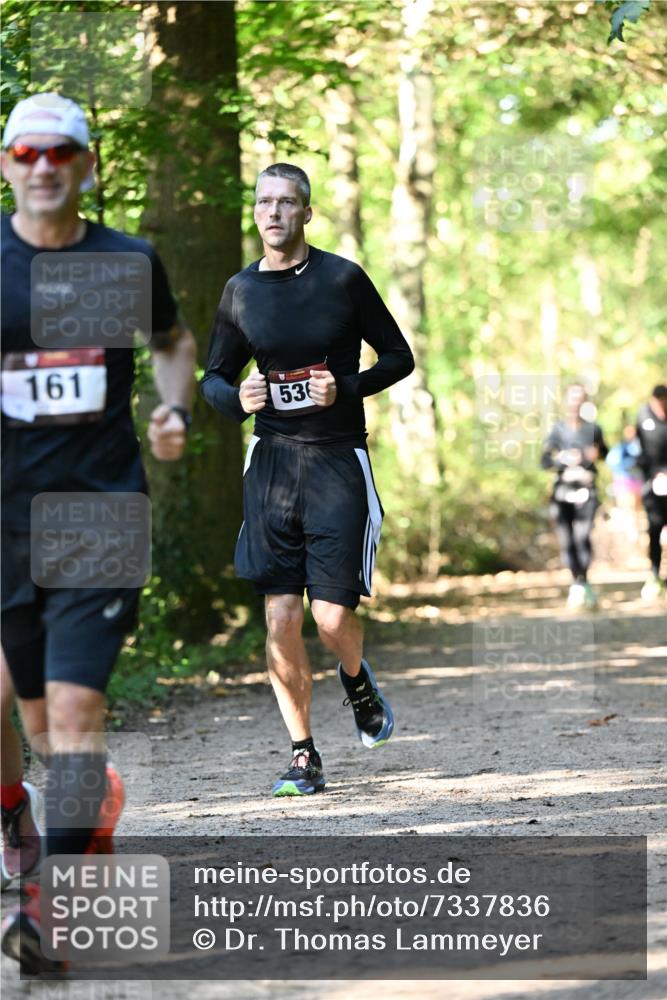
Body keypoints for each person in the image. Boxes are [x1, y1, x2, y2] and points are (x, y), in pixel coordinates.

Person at [0, 93, 196, 973]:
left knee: (75, 712)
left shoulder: (125, 261)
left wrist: (173, 410)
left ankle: (46, 910)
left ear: (85, 164)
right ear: (7, 164)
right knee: (32, 720)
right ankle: (34, 808)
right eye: (27, 152)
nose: (44, 166)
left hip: (99, 513)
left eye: (60, 153)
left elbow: (173, 341)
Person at [201, 163, 414, 797]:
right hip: (271, 465)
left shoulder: (342, 278)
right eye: (264, 202)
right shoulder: (240, 291)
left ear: (306, 212)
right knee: (280, 614)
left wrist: (344, 387)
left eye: (286, 202)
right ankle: (303, 754)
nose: (273, 212)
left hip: (336, 462)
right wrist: (236, 397)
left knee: (329, 616)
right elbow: (213, 379)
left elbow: (399, 357)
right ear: (255, 211)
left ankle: (356, 679)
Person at [541, 383, 608, 609]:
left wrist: (594, 454)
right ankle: (576, 582)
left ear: (585, 401)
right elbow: (545, 461)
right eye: (573, 397)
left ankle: (583, 582)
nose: (576, 402)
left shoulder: (593, 429)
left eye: (580, 398)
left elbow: (604, 453)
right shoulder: (558, 430)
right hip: (563, 492)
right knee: (567, 540)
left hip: (587, 491)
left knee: (582, 536)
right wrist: (563, 459)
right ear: (566, 400)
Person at [635, 384, 667, 600]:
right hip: (652, 484)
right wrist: (653, 473)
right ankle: (655, 574)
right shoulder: (643, 416)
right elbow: (639, 451)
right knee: (654, 529)